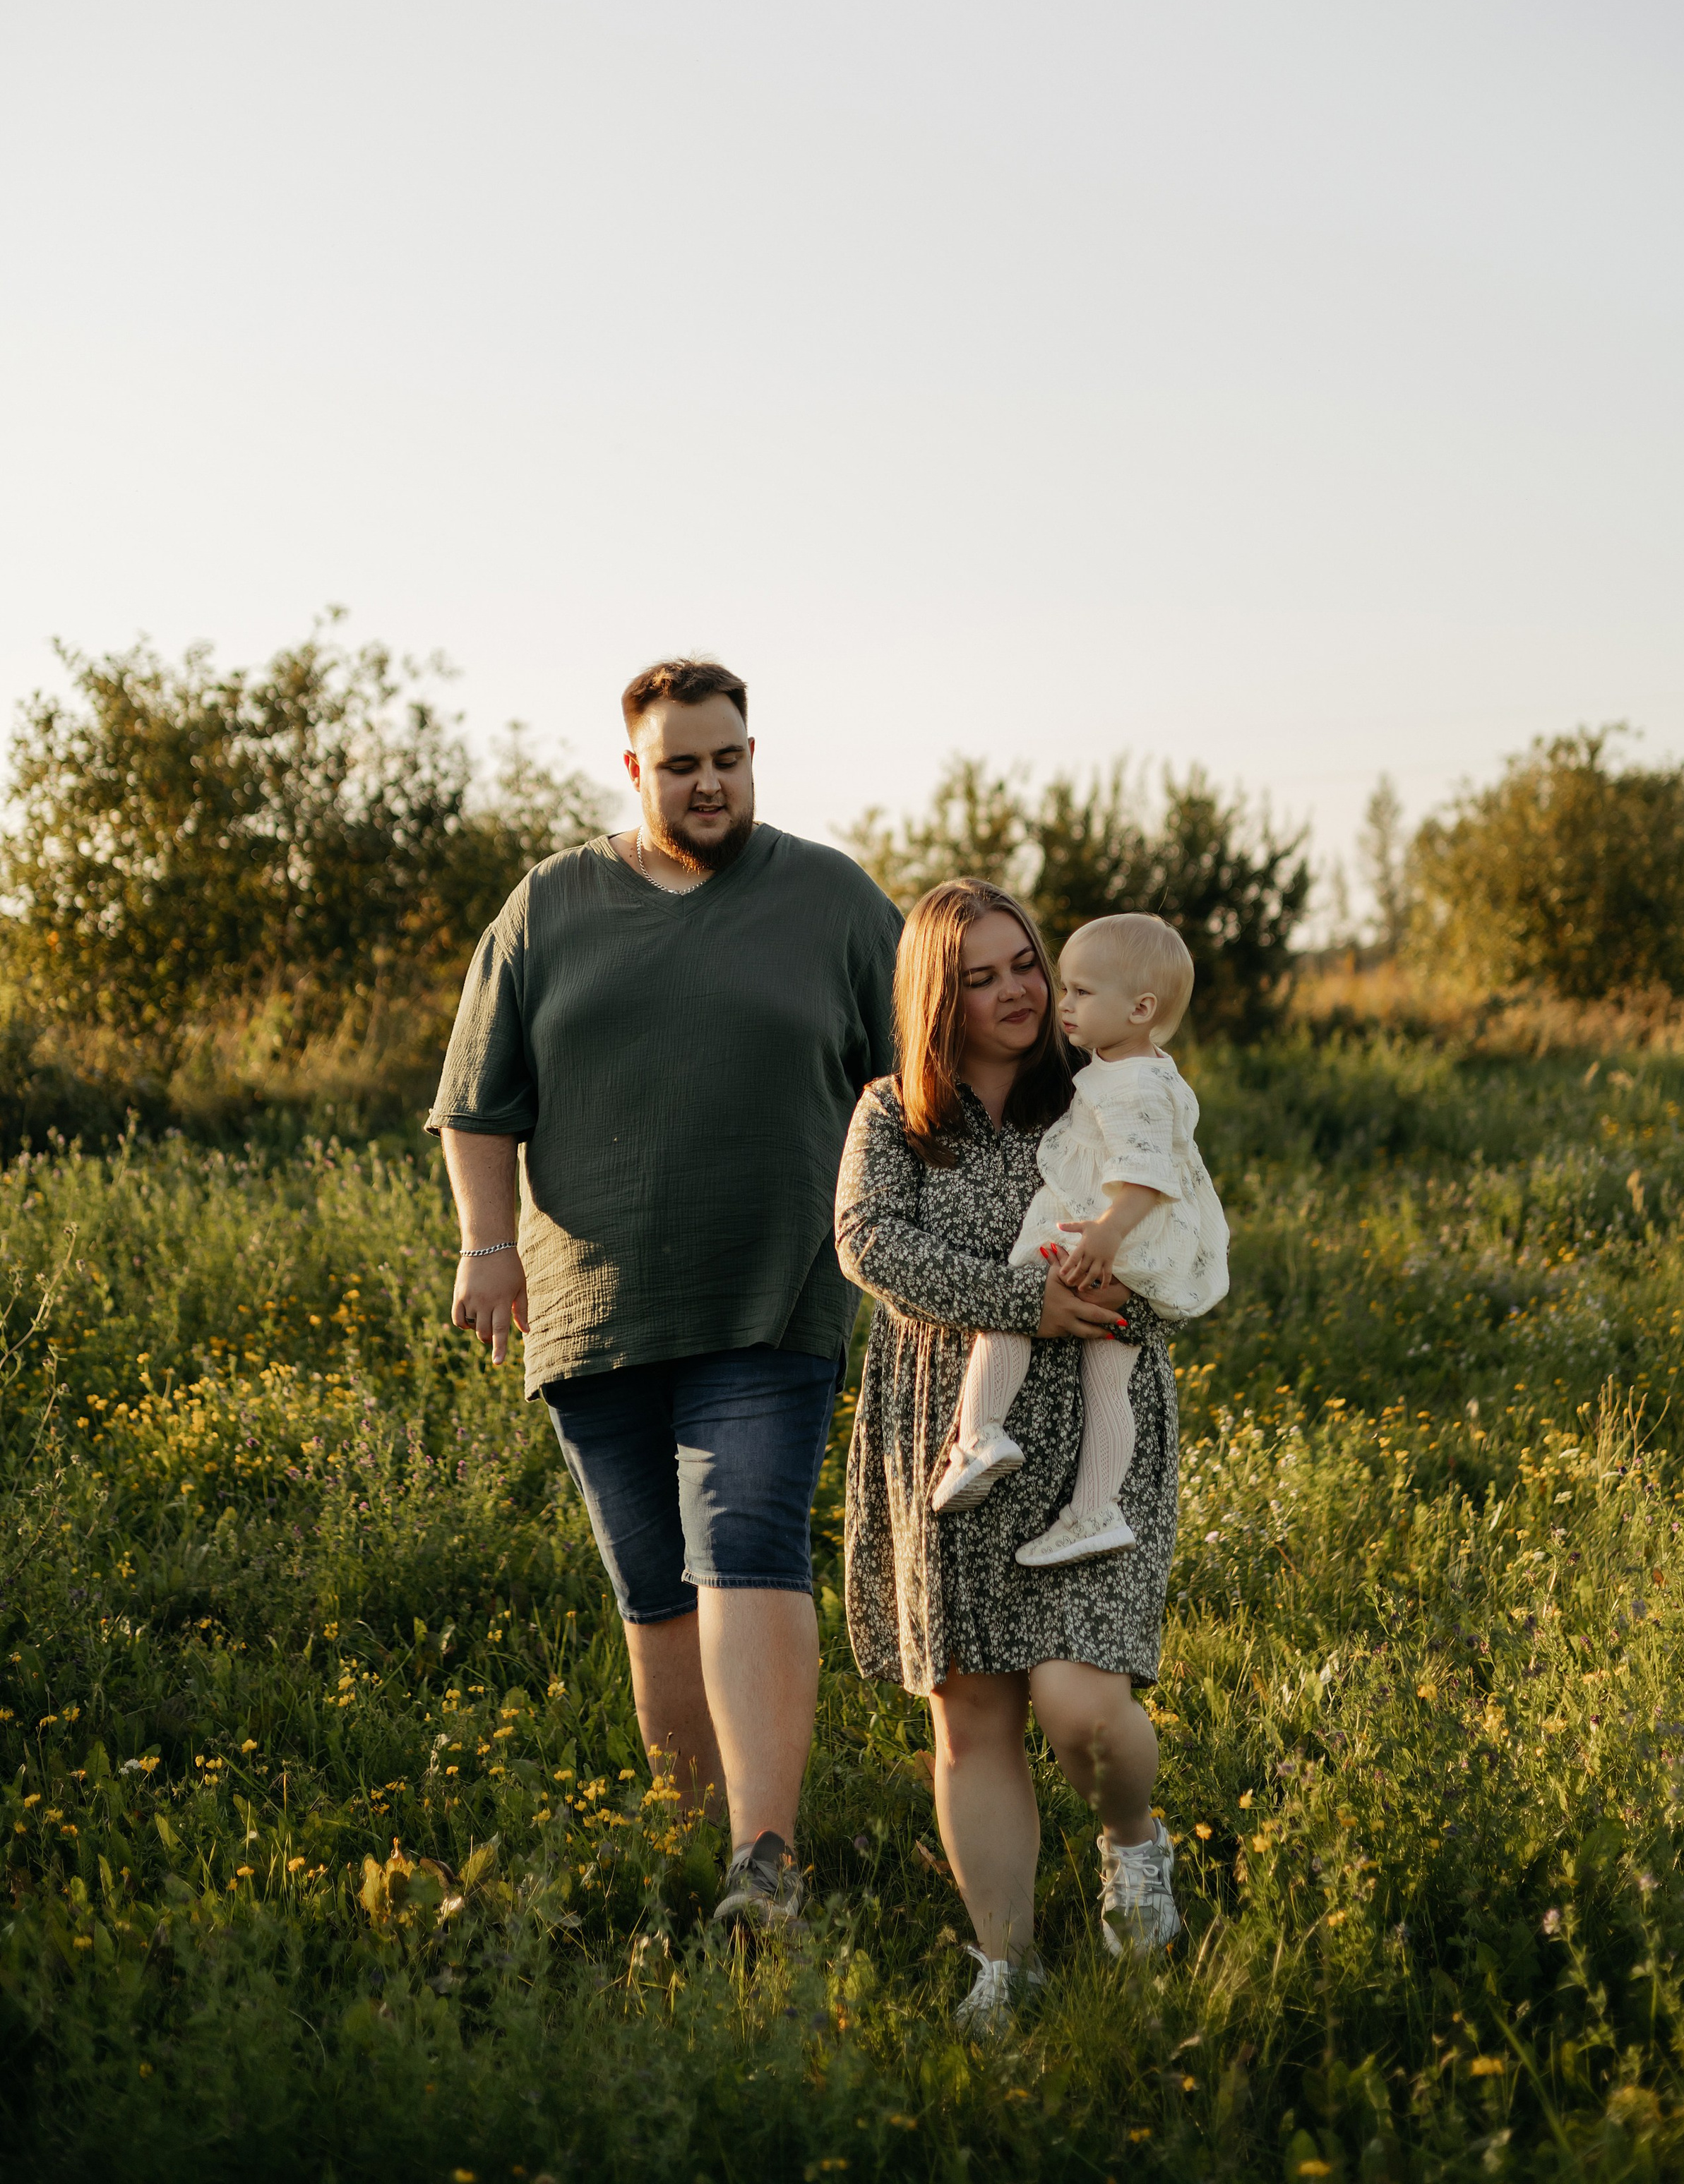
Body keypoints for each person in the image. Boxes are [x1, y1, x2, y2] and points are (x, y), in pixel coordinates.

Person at [429, 657, 901, 1930]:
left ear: (755, 755)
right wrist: (487, 1244)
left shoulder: (832, 898)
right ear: (635, 769)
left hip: (776, 1283)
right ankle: (694, 1853)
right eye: (681, 763)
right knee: (656, 1588)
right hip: (593, 1302)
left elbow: (921, 1079)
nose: (709, 782)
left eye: (729, 758)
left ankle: (768, 1857)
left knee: (745, 1544)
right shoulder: (546, 909)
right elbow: (478, 1103)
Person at [834, 879, 1185, 2031]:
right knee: (973, 1710)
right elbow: (870, 1243)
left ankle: (1134, 1848)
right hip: (949, 1432)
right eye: (979, 977)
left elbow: (1175, 1236)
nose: (1015, 992)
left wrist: (1115, 1285)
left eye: (1024, 963)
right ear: (938, 997)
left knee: (1082, 1704)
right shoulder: (894, 1112)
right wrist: (1019, 1299)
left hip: (1089, 1430)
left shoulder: (1108, 1093)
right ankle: (1009, 1965)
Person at [932, 913, 1229, 1567]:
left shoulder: (1131, 1086)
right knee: (1107, 1385)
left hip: (1109, 1235)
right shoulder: (1137, 1067)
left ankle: (980, 1435)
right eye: (1065, 988)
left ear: (1141, 1007)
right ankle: (1095, 1511)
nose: (1063, 1005)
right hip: (1138, 1249)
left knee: (1013, 1314)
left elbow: (1147, 1174)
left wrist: (1104, 1236)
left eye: (1083, 993)